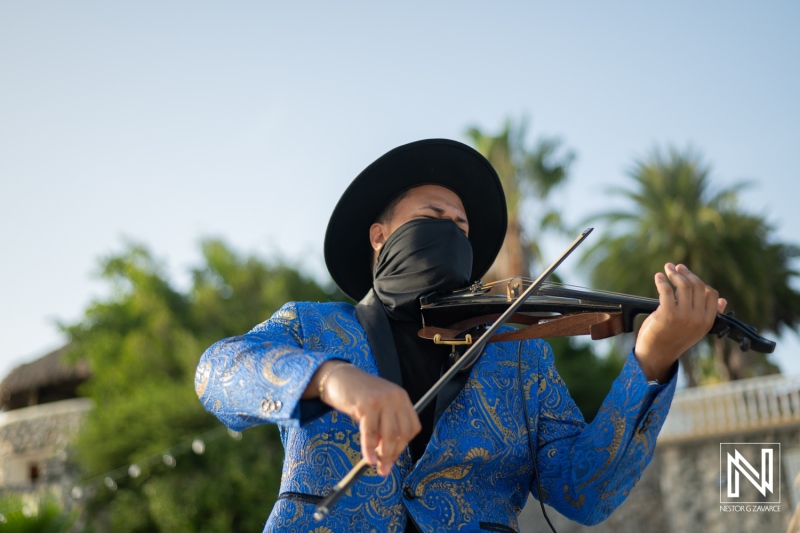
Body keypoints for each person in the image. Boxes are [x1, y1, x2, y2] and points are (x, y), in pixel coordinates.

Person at [195, 139, 725, 533]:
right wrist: (333, 378)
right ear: (380, 237)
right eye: (433, 215)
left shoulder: (522, 359)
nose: (451, 229)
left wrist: (652, 359)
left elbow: (585, 491)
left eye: (462, 227)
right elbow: (215, 373)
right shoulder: (314, 326)